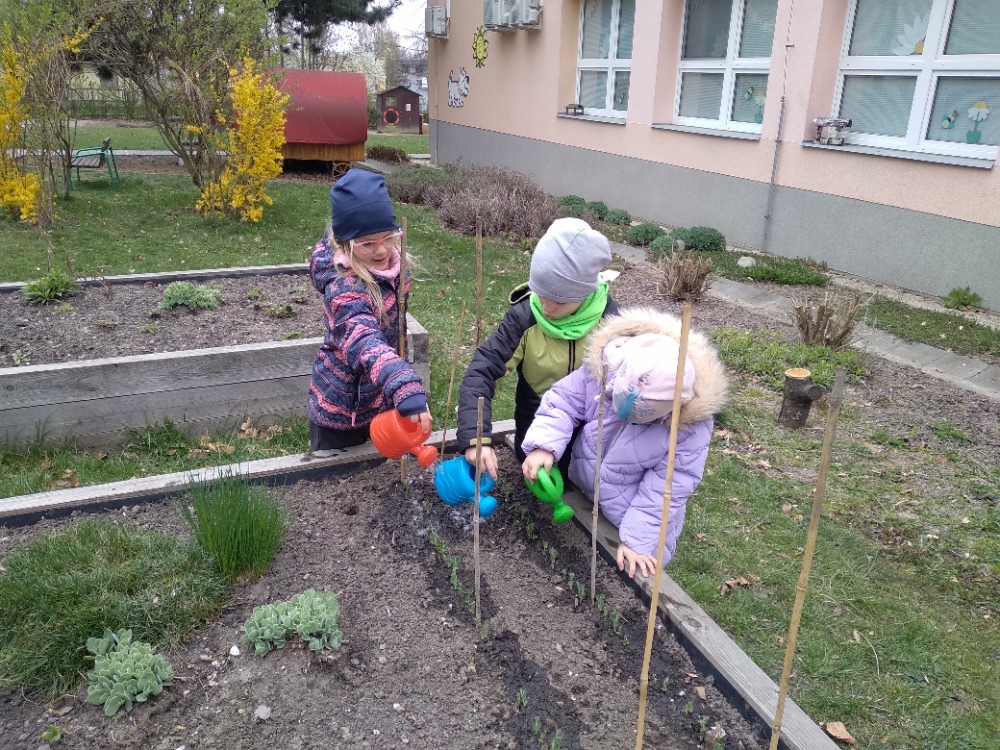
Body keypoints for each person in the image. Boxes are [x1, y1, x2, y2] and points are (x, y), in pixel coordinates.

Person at [520, 308, 728, 579]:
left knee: (626, 577)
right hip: (586, 489)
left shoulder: (688, 429)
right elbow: (562, 402)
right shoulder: (604, 369)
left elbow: (665, 490)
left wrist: (638, 542)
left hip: (633, 513)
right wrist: (543, 445)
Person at [456, 217, 619, 479]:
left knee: (583, 486)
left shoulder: (612, 324)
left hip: (592, 440)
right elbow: (482, 371)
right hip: (535, 431)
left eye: (559, 300)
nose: (547, 307)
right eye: (541, 294)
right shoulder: (525, 318)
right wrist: (476, 436)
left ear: (584, 292)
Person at [307, 169, 431, 451]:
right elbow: (363, 339)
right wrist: (402, 384)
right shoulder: (344, 288)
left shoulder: (394, 270)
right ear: (345, 244)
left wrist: (394, 386)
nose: (381, 250)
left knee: (381, 466)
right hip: (342, 412)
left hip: (380, 397)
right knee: (340, 474)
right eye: (368, 243)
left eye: (388, 237)